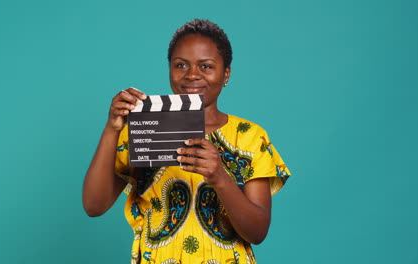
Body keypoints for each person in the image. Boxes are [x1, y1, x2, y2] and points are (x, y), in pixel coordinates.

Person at [83, 19, 291, 264]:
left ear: (226, 73)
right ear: (169, 69)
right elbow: (94, 206)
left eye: (206, 66)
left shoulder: (250, 136)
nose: (192, 75)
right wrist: (112, 128)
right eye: (181, 65)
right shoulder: (144, 129)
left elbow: (257, 232)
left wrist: (220, 177)